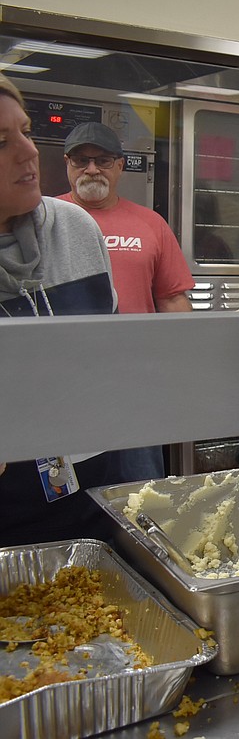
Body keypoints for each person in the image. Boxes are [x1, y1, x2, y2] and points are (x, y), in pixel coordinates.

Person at [0, 74, 123, 546]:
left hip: (91, 495)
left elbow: (109, 359)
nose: (29, 152)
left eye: (26, 131)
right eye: (1, 141)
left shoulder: (76, 229)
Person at [55, 121, 194, 482]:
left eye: (102, 160)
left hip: (136, 389)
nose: (91, 169)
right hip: (62, 392)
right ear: (67, 165)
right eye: (80, 160)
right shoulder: (43, 221)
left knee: (140, 493)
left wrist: (186, 377)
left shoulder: (151, 225)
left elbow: (172, 302)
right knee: (67, 500)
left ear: (120, 166)